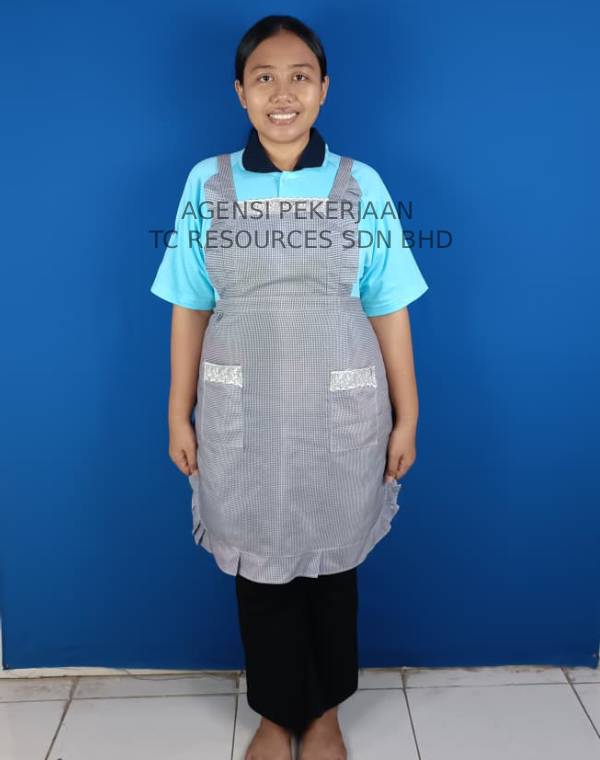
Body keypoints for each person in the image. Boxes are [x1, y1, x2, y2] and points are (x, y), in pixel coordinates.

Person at [150, 14, 428, 760]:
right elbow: (189, 303)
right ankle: (276, 716)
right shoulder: (208, 183)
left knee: (334, 568)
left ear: (323, 89)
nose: (283, 92)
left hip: (342, 407)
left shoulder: (360, 184)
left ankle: (325, 713)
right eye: (264, 77)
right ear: (240, 92)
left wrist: (407, 413)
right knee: (259, 571)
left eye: (299, 76)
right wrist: (179, 410)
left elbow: (389, 304)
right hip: (242, 408)